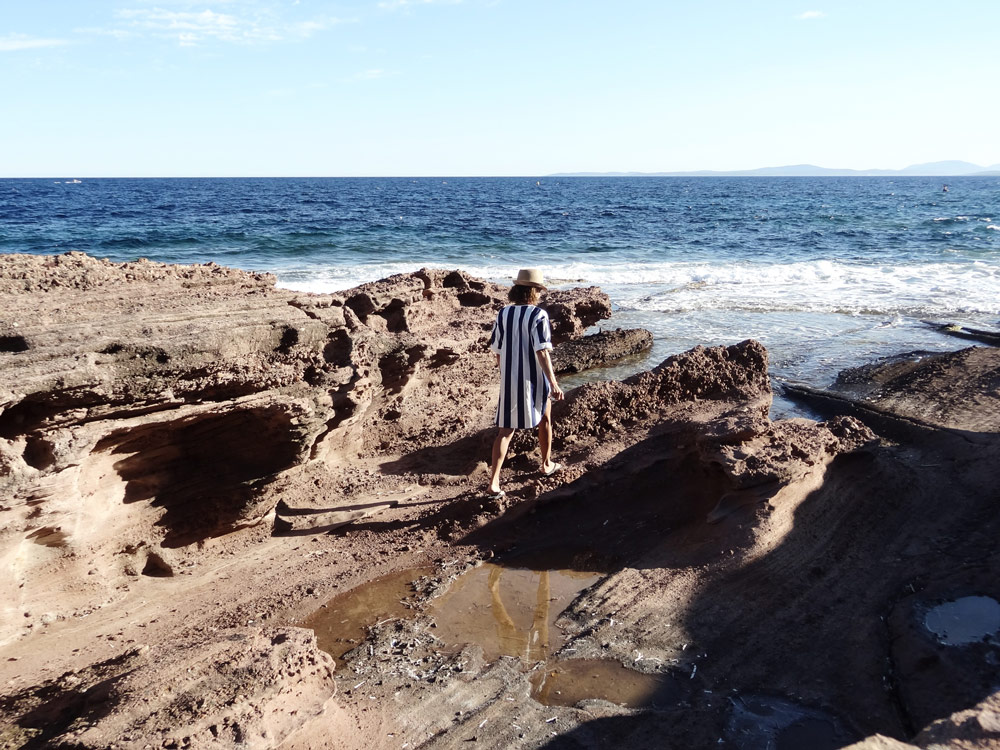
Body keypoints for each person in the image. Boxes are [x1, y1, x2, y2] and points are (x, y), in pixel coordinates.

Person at [486, 268, 565, 498]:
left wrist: (506, 374)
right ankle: (546, 464)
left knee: (505, 431)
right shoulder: (538, 315)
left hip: (510, 378)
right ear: (534, 292)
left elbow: (498, 351)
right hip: (535, 378)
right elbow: (542, 352)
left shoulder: (503, 313)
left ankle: (493, 483)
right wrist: (553, 382)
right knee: (546, 419)